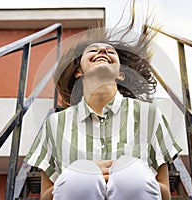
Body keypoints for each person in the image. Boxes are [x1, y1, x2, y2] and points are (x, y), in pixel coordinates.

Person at [25, 2, 181, 200]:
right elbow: (46, 197)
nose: (102, 51)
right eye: (93, 50)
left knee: (130, 173)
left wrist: (127, 176)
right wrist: (82, 174)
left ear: (121, 75)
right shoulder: (55, 124)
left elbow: (165, 193)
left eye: (110, 51)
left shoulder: (149, 115)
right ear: (78, 72)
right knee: (80, 175)